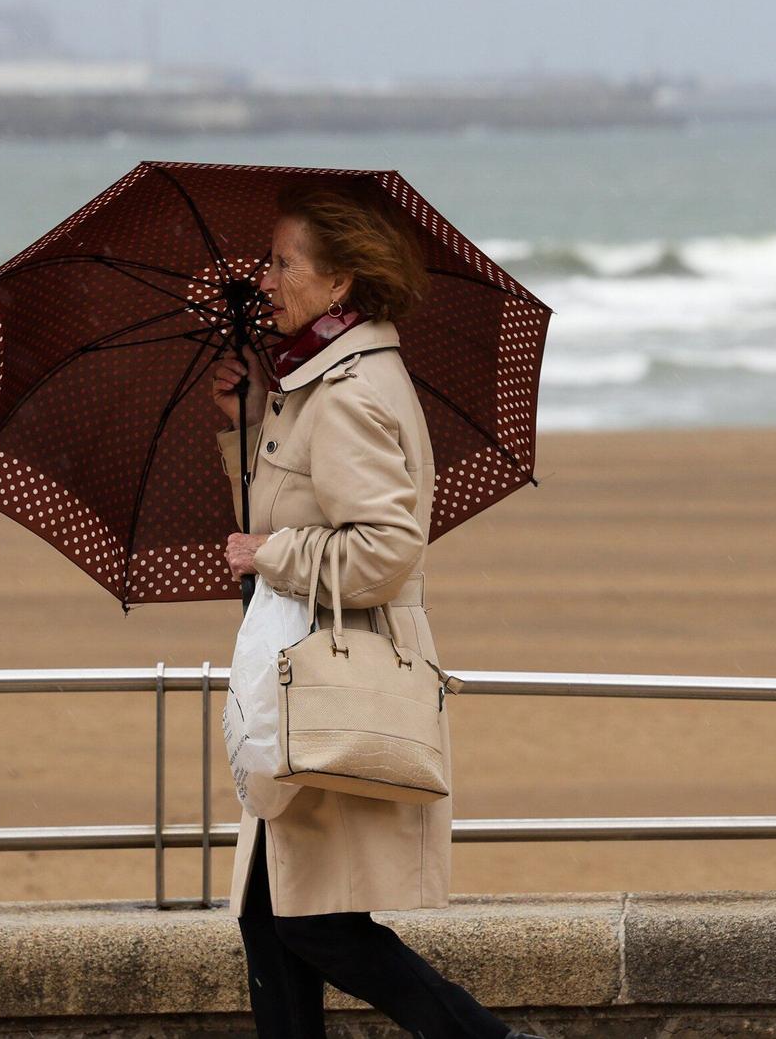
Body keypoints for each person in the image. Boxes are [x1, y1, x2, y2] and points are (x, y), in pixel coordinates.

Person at [211, 183, 545, 1039]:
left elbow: (386, 549)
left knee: (309, 920)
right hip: (304, 675)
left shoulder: (352, 390)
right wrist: (241, 425)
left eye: (284, 261)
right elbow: (293, 507)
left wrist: (271, 556)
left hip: (336, 678)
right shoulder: (308, 381)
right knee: (272, 917)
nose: (268, 276)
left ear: (339, 282)